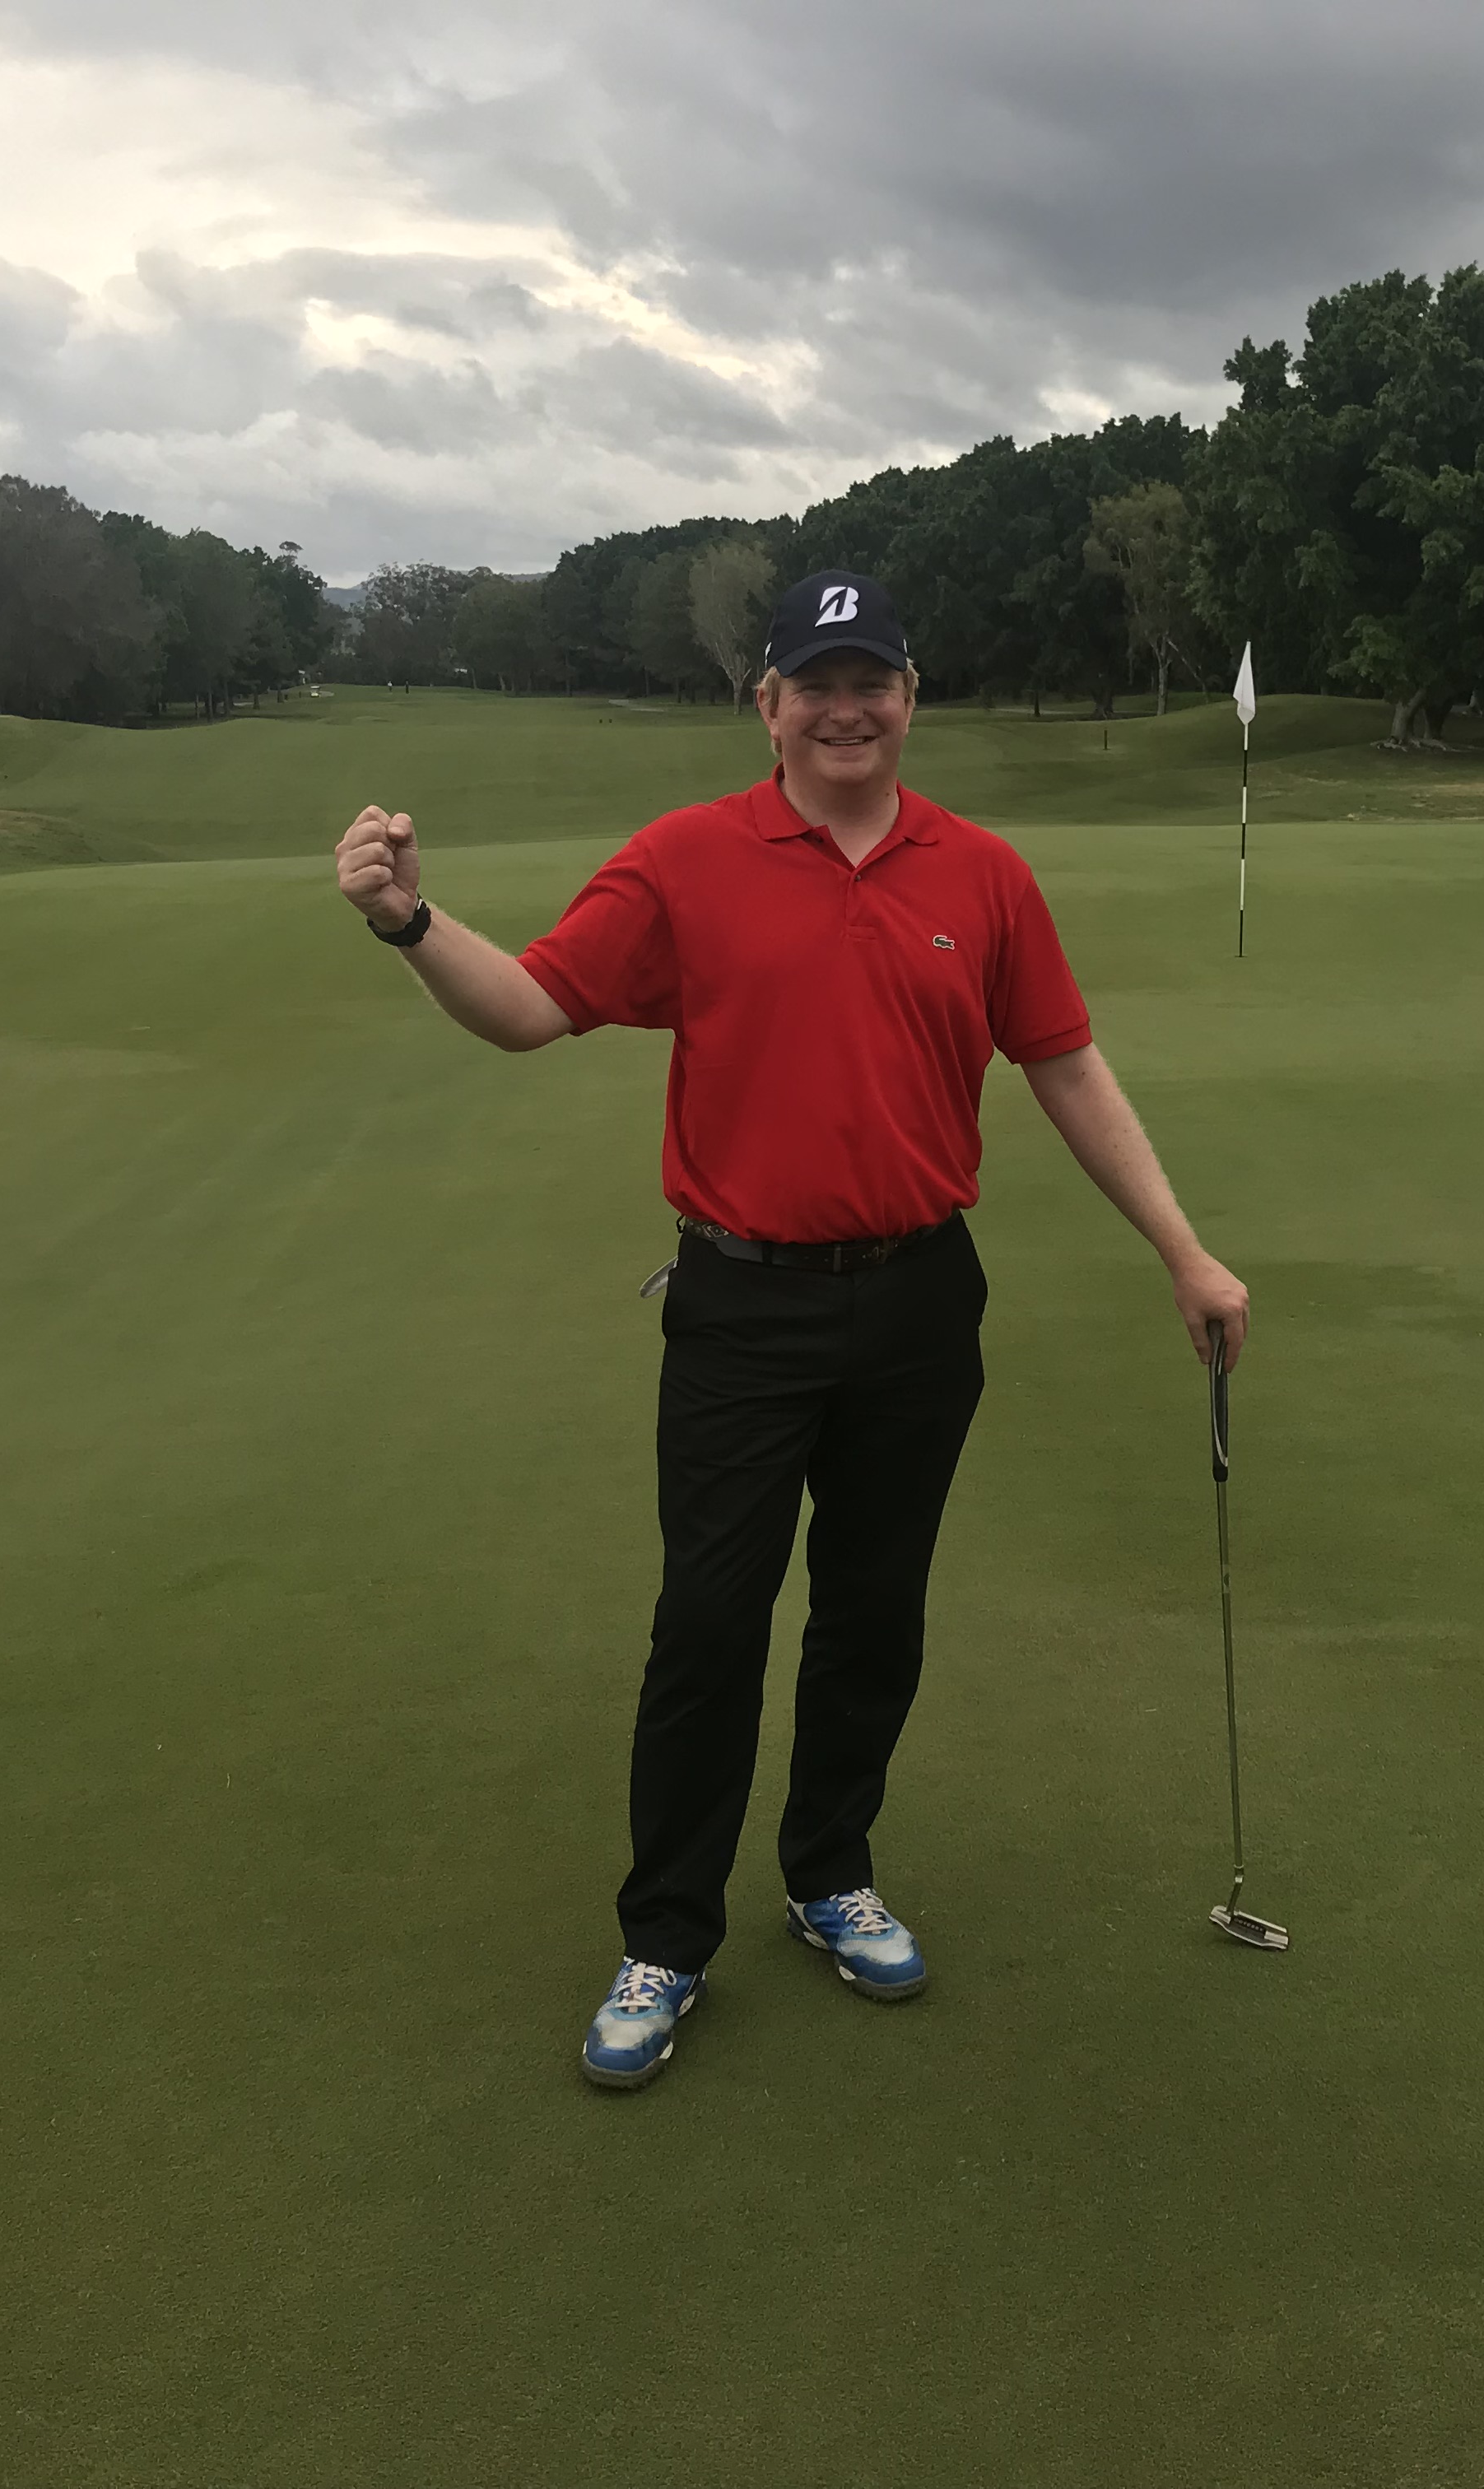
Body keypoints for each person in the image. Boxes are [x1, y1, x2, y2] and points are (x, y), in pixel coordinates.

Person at [331, 570, 1250, 2090]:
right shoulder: (686, 863)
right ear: (766, 705)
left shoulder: (984, 875)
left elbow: (1067, 1071)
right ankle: (668, 1938)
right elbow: (530, 1010)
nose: (846, 708)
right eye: (815, 683)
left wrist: (1184, 1250)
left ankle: (830, 1872)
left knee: (874, 1613)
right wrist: (408, 920)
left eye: (871, 679)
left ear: (908, 699)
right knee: (708, 1623)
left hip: (918, 1296)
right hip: (742, 1301)